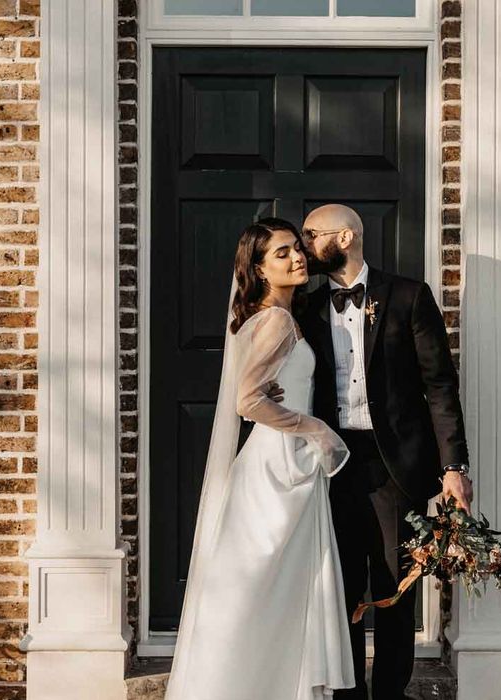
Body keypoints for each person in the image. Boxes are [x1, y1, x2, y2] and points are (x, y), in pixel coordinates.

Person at [270, 205, 473, 700]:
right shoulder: (306, 307)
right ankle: (345, 691)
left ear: (346, 236)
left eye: (311, 236)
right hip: (328, 462)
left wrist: (453, 467)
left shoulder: (408, 296)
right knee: (335, 585)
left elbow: (439, 385)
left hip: (393, 467)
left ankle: (390, 693)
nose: (303, 245)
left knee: (394, 588)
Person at [165, 222, 355, 700]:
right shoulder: (275, 321)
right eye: (282, 254)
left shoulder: (269, 316)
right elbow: (248, 402)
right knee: (261, 594)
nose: (297, 259)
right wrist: (317, 429)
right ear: (258, 268)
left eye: (297, 249)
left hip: (280, 464)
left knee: (267, 597)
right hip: (278, 471)